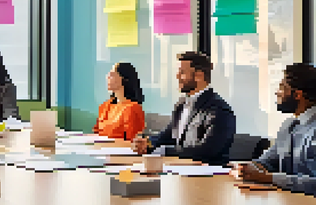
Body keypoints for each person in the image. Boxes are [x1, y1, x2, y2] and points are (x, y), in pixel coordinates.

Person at [131, 51, 236, 166]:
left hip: (208, 176)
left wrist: (165, 151)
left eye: (182, 73)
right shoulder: (181, 103)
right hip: (180, 170)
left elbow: (207, 151)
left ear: (199, 76)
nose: (177, 76)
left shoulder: (219, 110)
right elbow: (168, 135)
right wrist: (148, 143)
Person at [232, 63, 316, 195]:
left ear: (297, 95)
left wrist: (268, 178)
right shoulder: (289, 125)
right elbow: (267, 161)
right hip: (288, 203)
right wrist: (248, 168)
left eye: (282, 88)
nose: (277, 92)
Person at [93, 62, 145, 140]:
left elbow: (132, 141)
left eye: (112, 75)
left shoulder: (132, 108)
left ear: (124, 79)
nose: (107, 77)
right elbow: (96, 133)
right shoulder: (105, 106)